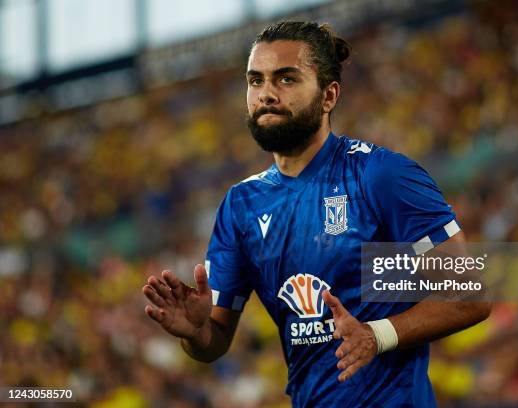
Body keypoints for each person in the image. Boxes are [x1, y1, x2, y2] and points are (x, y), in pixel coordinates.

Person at [142, 21, 491, 407]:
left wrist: (376, 336)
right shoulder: (241, 206)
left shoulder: (381, 176)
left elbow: (471, 295)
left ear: (329, 96)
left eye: (286, 79)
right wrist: (194, 332)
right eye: (255, 81)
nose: (267, 94)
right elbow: (213, 342)